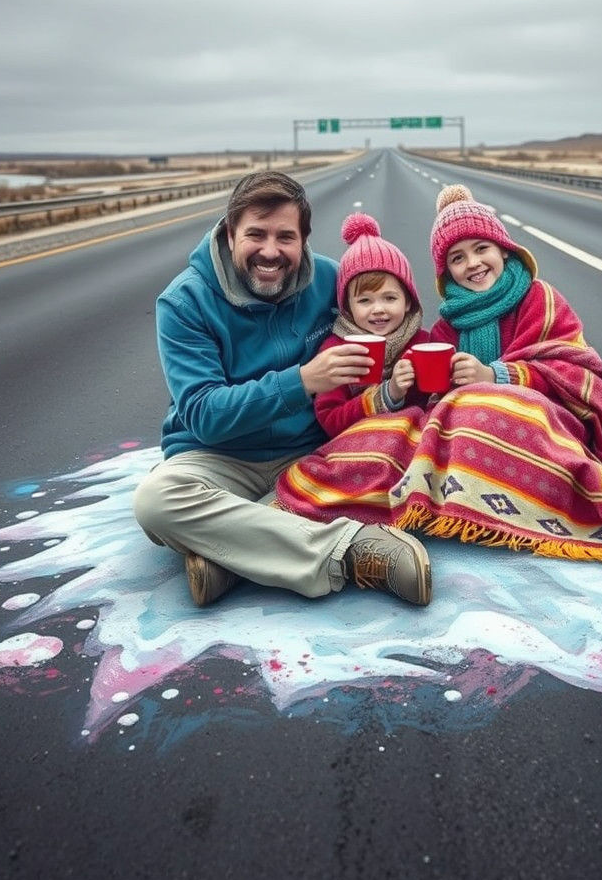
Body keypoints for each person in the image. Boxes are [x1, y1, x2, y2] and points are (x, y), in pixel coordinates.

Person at [276, 184, 602, 566]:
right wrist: (419, 390)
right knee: (417, 429)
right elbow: (420, 408)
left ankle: (514, 495)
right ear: (444, 273)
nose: (473, 264)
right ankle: (457, 500)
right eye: (457, 258)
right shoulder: (445, 324)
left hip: (549, 423)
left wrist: (496, 374)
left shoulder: (541, 301)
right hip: (475, 427)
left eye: (481, 249)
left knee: (479, 405)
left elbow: (584, 376)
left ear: (504, 250)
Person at [132, 170, 431, 608]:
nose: (270, 252)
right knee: (156, 502)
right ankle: (353, 552)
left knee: (405, 444)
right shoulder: (184, 302)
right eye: (256, 234)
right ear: (230, 233)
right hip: (220, 458)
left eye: (285, 237)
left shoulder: (331, 282)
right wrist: (305, 380)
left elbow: (392, 313)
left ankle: (229, 559)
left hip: (313, 453)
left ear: (304, 240)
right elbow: (205, 416)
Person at [312, 212, 431, 438]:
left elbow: (438, 406)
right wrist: (389, 392)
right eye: (365, 300)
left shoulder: (423, 343)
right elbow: (330, 420)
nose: (378, 309)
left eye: (390, 298)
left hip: (414, 444)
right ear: (347, 307)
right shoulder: (336, 351)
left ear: (408, 302)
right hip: (358, 447)